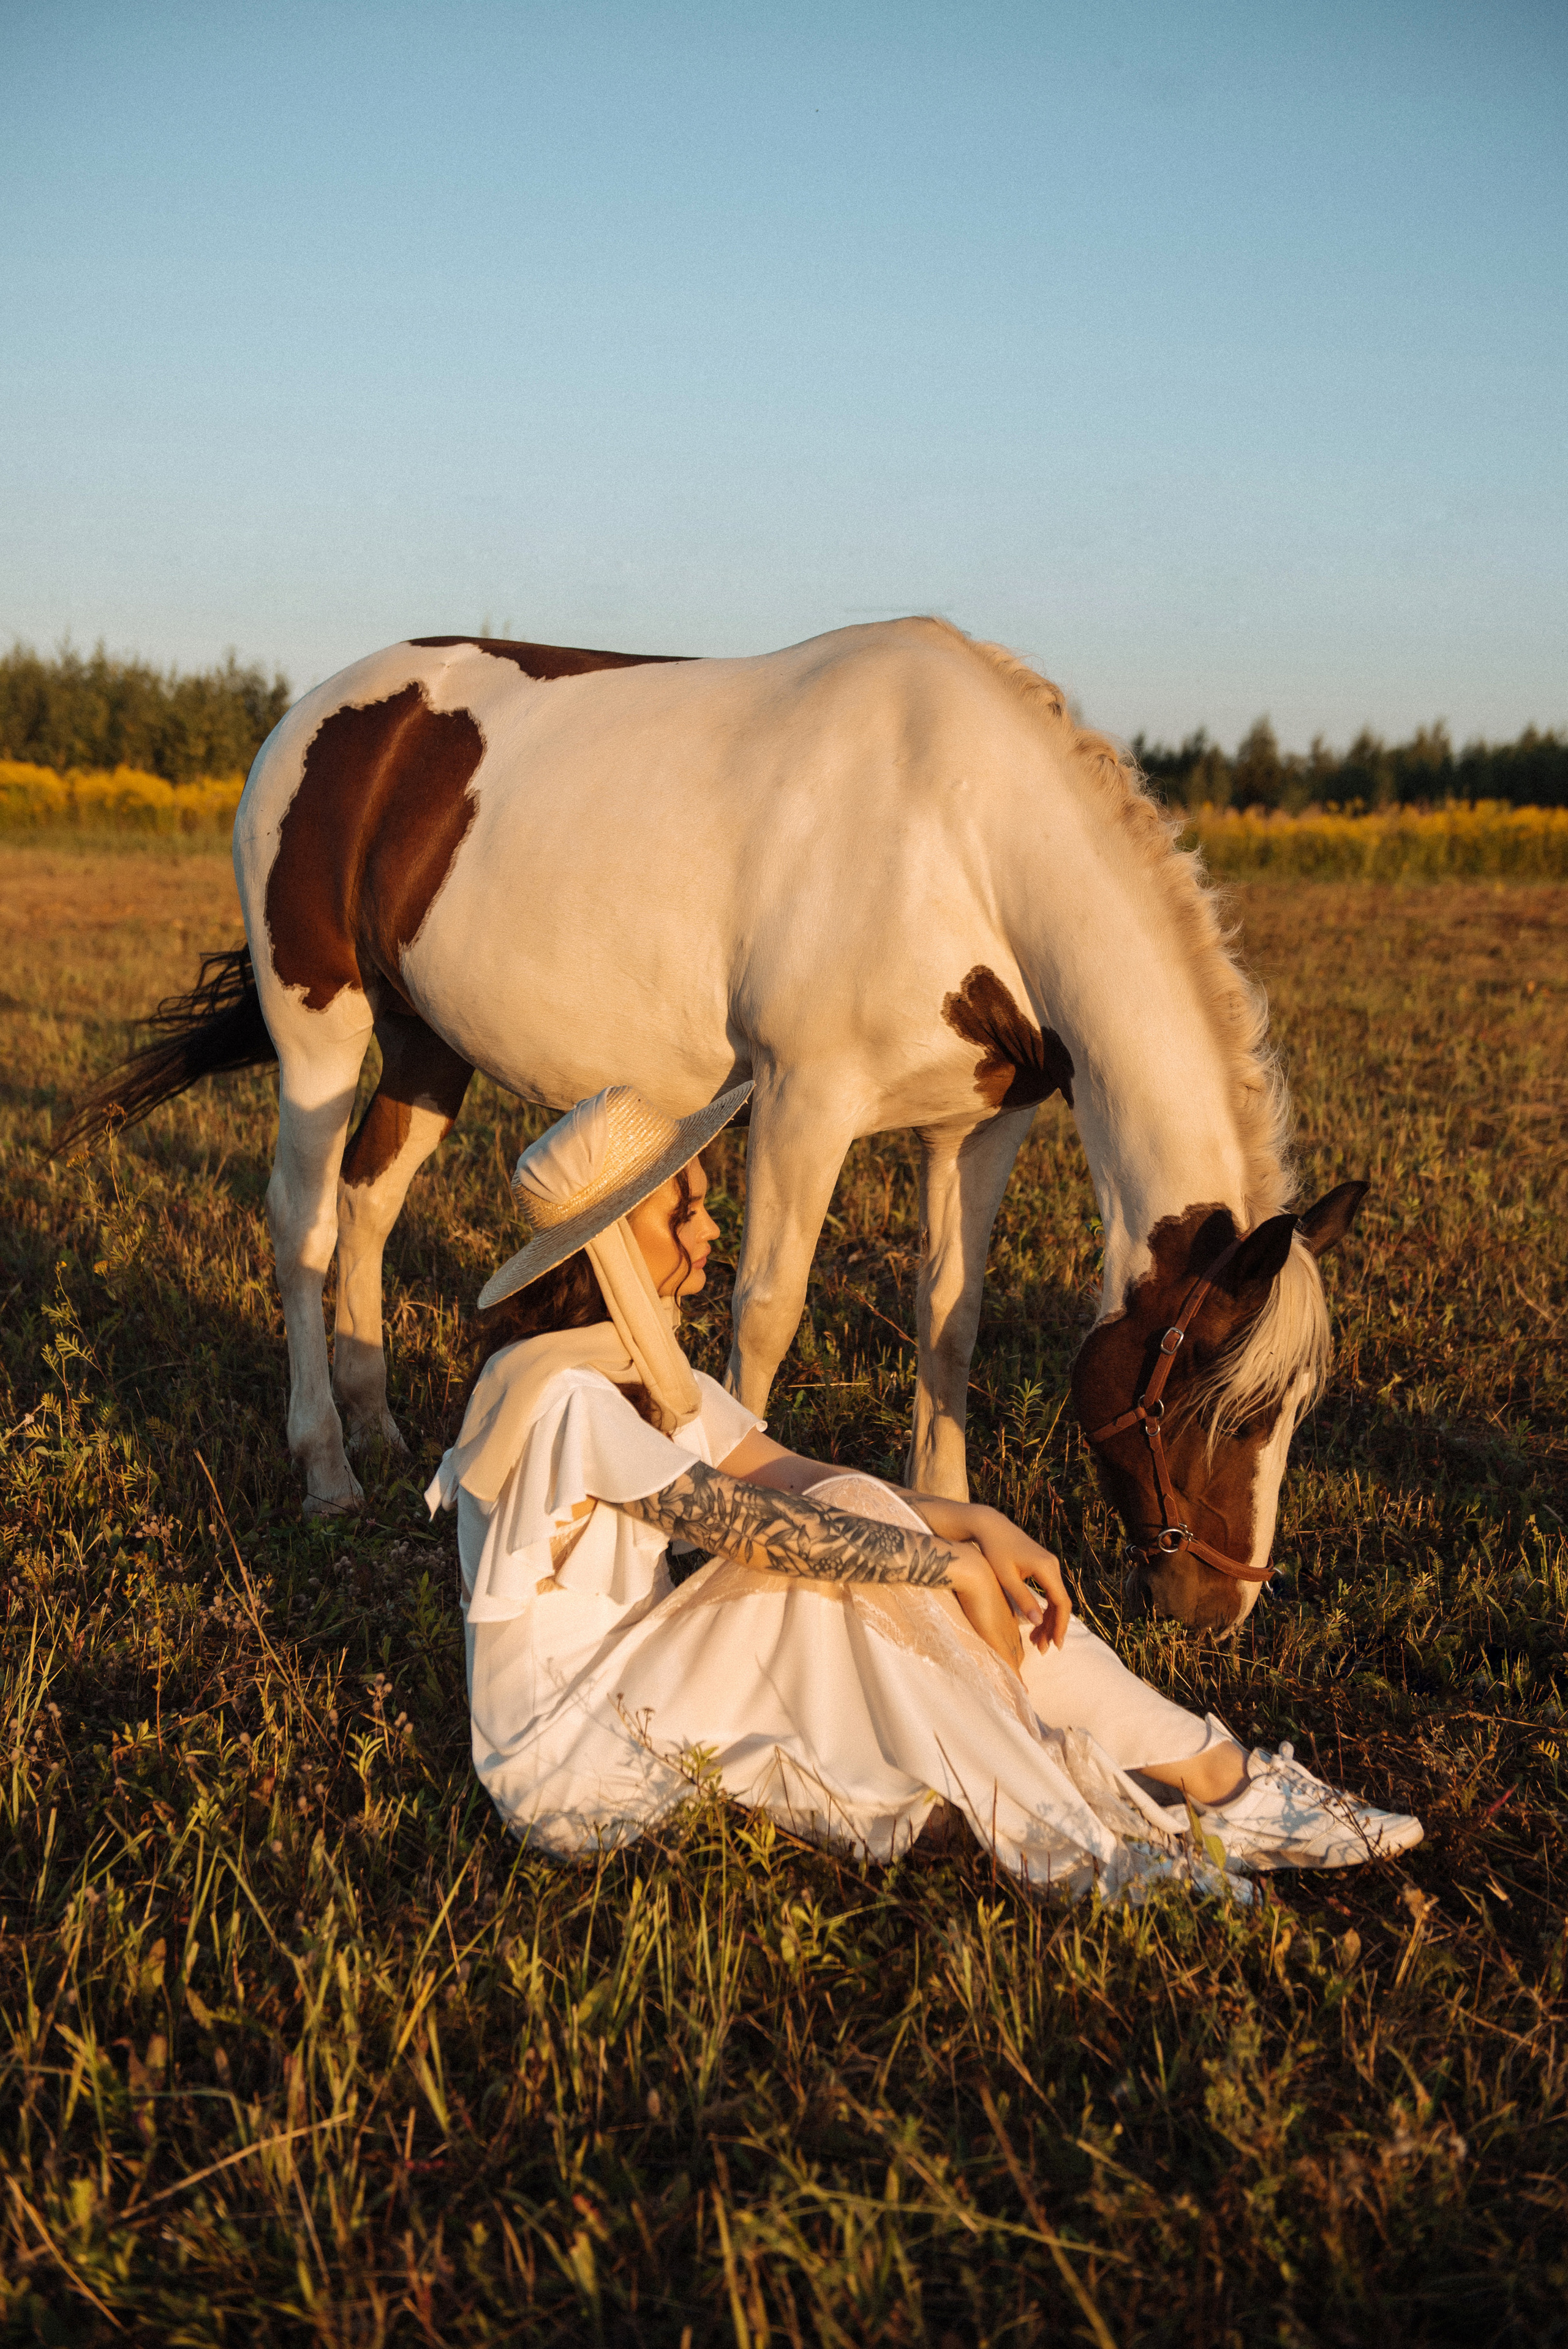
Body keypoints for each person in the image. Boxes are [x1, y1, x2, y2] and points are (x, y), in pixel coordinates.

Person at [425, 1084, 1422, 1898]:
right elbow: (765, 1530)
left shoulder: (648, 1373)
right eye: (680, 1208)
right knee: (859, 1550)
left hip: (642, 1679)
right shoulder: (563, 1395)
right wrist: (940, 1562)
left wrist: (981, 1525)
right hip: (570, 1757)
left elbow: (797, 1478)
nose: (708, 1222)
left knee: (888, 1528)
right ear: (609, 1246)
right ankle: (1094, 1851)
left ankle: (1221, 1778)